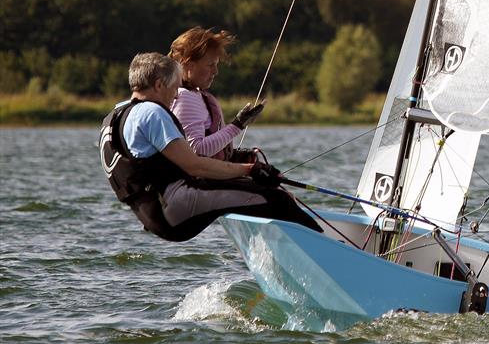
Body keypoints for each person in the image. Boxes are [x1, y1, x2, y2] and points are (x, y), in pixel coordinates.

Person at [99, 52, 322, 241]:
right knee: (277, 199)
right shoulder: (151, 112)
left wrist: (239, 163)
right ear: (158, 85)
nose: (176, 95)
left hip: (154, 214)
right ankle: (330, 254)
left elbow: (157, 163)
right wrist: (251, 170)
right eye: (174, 88)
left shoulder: (115, 115)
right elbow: (194, 166)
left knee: (256, 193)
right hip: (175, 207)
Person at [168, 26, 261, 162]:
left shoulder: (193, 94)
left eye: (216, 65)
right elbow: (196, 151)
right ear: (188, 64)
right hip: (197, 181)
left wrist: (234, 157)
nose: (215, 71)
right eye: (210, 65)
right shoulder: (185, 97)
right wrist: (237, 125)